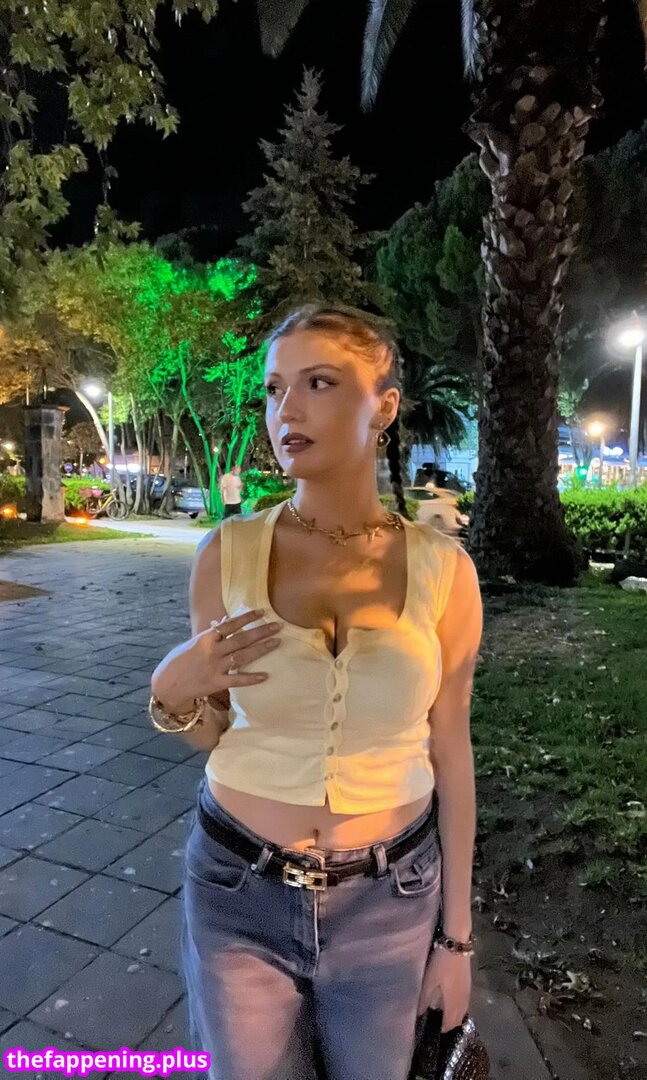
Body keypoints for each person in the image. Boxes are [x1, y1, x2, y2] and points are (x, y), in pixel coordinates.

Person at [150, 306, 483, 1080]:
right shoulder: (227, 554)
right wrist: (171, 693)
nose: (285, 410)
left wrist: (456, 939)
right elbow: (214, 728)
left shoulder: (443, 571)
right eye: (274, 389)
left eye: (318, 383)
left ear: (384, 406)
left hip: (390, 899)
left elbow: (450, 748)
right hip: (238, 888)